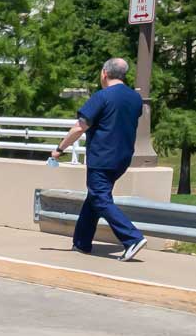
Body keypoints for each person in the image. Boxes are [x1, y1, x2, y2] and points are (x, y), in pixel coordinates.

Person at [50, 58, 148, 262]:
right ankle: (82, 243)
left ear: (104, 73)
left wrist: (60, 148)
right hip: (122, 158)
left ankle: (132, 237)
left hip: (102, 157)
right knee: (95, 197)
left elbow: (79, 127)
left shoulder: (102, 97)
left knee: (100, 198)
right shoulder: (135, 99)